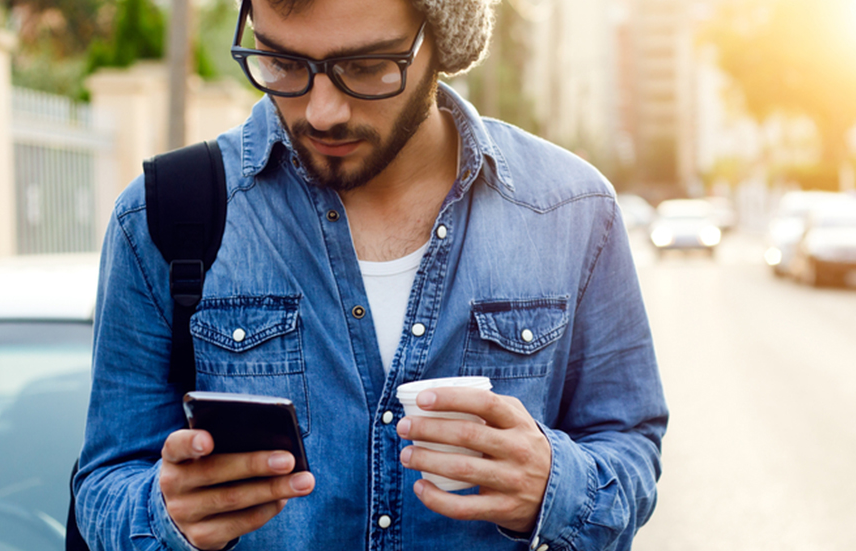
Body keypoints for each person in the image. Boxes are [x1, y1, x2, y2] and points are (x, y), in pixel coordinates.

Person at [74, 0, 667, 549]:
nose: (321, 111)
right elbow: (103, 484)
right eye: (281, 61)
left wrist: (553, 487)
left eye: (365, 67)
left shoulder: (574, 211)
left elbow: (629, 449)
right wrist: (163, 515)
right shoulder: (160, 217)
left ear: (441, 41)